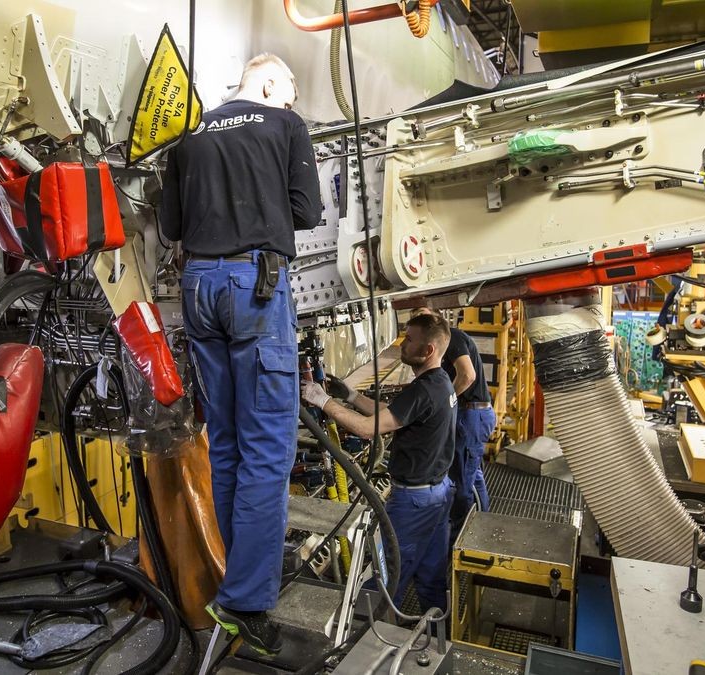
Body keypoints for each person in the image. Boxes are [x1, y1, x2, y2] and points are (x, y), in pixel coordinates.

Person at [159, 53, 321, 655]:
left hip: (197, 288)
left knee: (225, 441)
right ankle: (247, 603)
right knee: (268, 452)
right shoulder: (285, 125)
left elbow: (171, 224)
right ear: (272, 83)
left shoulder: (190, 135)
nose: (292, 100)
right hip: (254, 287)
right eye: (292, 90)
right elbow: (305, 211)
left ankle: (238, 581)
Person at [302, 313, 457, 612]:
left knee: (388, 576)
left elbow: (365, 429)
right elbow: (393, 412)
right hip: (438, 493)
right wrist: (350, 396)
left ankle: (367, 642)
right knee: (430, 575)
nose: (402, 344)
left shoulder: (424, 389)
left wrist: (322, 401)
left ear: (428, 351)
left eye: (409, 339)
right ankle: (436, 633)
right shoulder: (439, 383)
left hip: (414, 503)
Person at [412, 307, 497, 543]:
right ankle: (482, 524)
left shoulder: (454, 337)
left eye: (424, 315)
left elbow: (467, 376)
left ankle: (460, 542)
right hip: (474, 414)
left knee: (461, 483)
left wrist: (445, 400)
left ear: (438, 319)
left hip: (471, 415)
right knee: (474, 473)